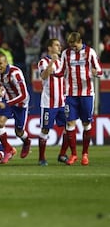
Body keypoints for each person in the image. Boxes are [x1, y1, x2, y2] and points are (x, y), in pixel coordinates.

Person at [54, 32, 103, 166]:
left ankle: (85, 154)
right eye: (71, 46)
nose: (73, 49)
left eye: (75, 46)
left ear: (80, 41)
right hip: (70, 94)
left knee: (86, 124)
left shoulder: (90, 52)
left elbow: (100, 70)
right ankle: (74, 154)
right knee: (70, 124)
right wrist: (52, 72)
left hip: (87, 94)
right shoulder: (65, 54)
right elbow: (61, 71)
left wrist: (96, 73)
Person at [0, 51, 32, 164]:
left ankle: (26, 142)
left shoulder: (15, 73)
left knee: (19, 132)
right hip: (7, 100)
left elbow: (24, 95)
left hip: (21, 103)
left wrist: (7, 104)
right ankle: (8, 150)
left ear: (6, 63)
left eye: (0, 63)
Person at [37, 38, 68, 166]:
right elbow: (44, 76)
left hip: (62, 102)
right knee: (45, 130)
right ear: (49, 48)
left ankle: (62, 154)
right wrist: (52, 62)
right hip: (48, 103)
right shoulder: (43, 62)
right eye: (56, 45)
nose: (59, 47)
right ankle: (41, 158)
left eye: (60, 45)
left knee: (69, 127)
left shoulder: (62, 62)